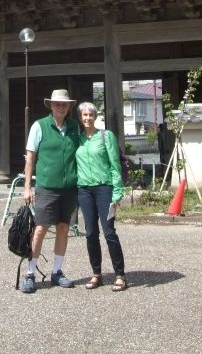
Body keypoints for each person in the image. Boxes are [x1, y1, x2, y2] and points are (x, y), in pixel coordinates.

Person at [21, 88, 80, 294]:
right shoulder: (39, 126)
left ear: (69, 107)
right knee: (40, 228)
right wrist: (27, 187)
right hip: (47, 186)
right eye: (57, 104)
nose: (60, 107)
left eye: (64, 104)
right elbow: (30, 157)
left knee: (64, 228)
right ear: (51, 106)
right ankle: (30, 273)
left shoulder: (75, 127)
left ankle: (57, 271)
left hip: (70, 188)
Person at [75, 101, 127, 291]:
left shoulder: (106, 136)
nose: (87, 118)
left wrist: (117, 192)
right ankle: (97, 274)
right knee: (90, 233)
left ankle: (120, 275)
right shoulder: (77, 139)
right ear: (80, 118)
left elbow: (115, 165)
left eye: (90, 115)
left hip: (104, 189)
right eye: (84, 115)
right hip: (84, 191)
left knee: (109, 232)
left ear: (95, 117)